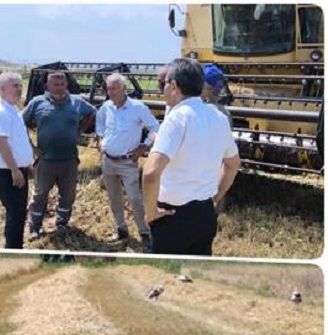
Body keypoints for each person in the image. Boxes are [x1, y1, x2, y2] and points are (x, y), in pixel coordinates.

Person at [143, 58, 241, 256]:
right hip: (205, 215)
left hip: (172, 217)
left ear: (174, 86)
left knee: (166, 272)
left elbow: (151, 173)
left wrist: (151, 212)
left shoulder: (176, 119)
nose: (162, 89)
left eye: (164, 84)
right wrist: (216, 197)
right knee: (197, 271)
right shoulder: (219, 118)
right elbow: (233, 164)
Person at [22, 71, 96, 240]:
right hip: (45, 160)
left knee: (68, 195)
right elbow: (19, 122)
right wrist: (31, 147)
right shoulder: (37, 102)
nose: (59, 88)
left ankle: (62, 223)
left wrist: (80, 130)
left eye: (62, 84)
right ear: (47, 85)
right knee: (40, 195)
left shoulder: (77, 102)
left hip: (69, 159)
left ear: (66, 84)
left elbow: (93, 112)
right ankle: (34, 226)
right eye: (55, 84)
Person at [95, 73, 160, 248]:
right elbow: (100, 123)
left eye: (114, 88)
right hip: (108, 160)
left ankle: (145, 232)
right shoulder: (106, 107)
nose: (111, 92)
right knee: (113, 197)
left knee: (134, 198)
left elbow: (155, 127)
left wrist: (143, 147)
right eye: (108, 89)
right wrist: (100, 139)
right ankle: (121, 229)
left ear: (124, 89)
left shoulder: (138, 108)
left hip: (127, 162)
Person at [0, 71, 34, 249]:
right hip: (8, 173)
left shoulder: (13, 111)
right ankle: (13, 249)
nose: (19, 89)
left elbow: (18, 142)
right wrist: (14, 170)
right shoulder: (0, 113)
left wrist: (27, 166)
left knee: (19, 214)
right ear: (2, 89)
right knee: (15, 214)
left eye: (20, 85)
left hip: (17, 171)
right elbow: (1, 144)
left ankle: (16, 247)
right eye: (15, 86)